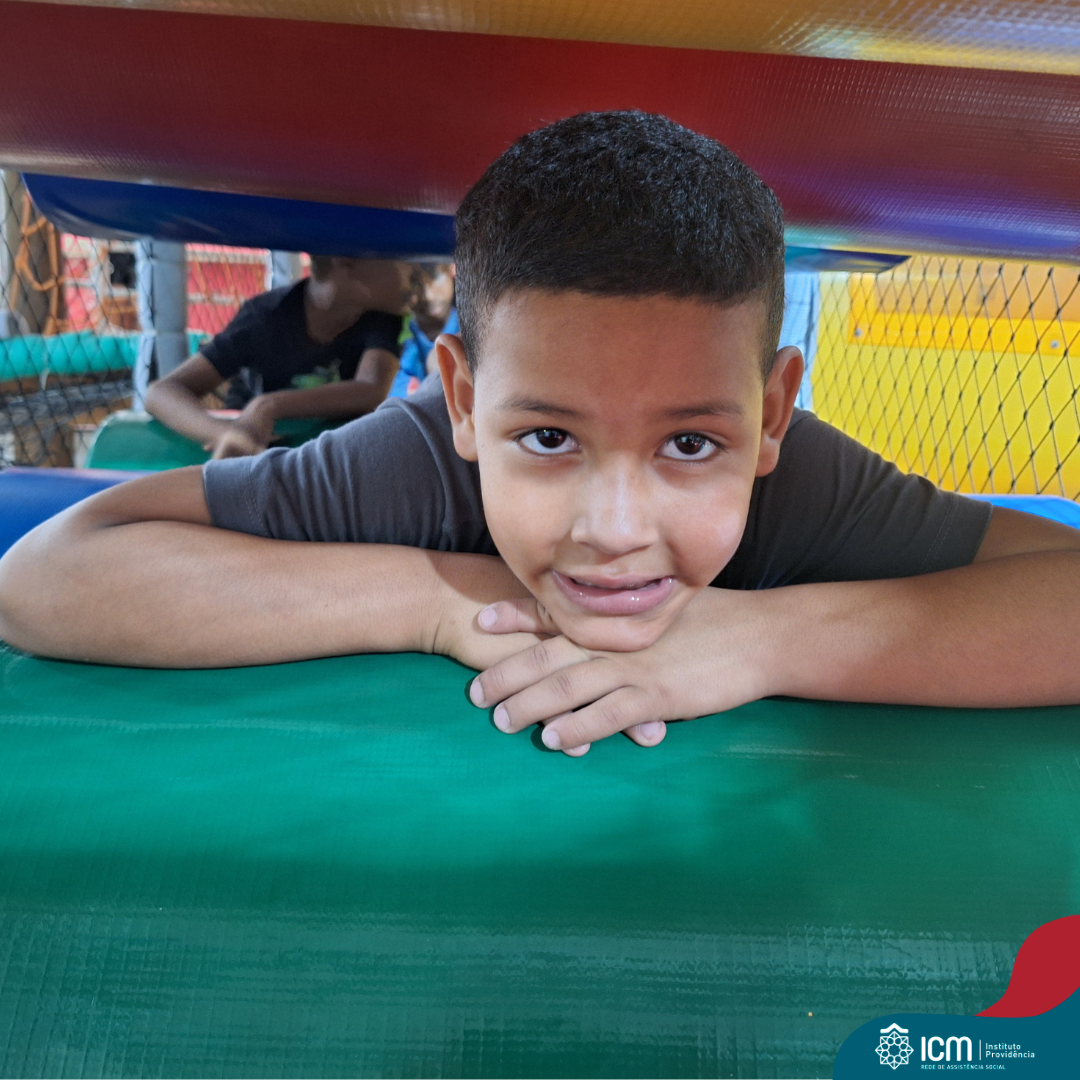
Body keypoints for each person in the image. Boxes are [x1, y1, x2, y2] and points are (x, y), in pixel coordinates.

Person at [4, 111, 1080, 759]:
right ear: (464, 401)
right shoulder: (419, 463)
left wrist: (770, 639)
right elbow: (46, 576)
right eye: (551, 439)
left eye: (691, 446)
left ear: (770, 415)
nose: (615, 529)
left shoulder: (800, 484)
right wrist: (429, 601)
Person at [144, 256, 411, 459]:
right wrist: (224, 432)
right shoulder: (264, 318)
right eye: (406, 259)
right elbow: (160, 392)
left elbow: (371, 389)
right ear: (345, 260)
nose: (418, 272)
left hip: (329, 453)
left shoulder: (381, 316)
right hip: (257, 450)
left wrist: (268, 405)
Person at [391, 263, 458, 398]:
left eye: (435, 277)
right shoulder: (395, 338)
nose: (428, 295)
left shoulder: (475, 328)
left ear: (453, 269)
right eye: (414, 283)